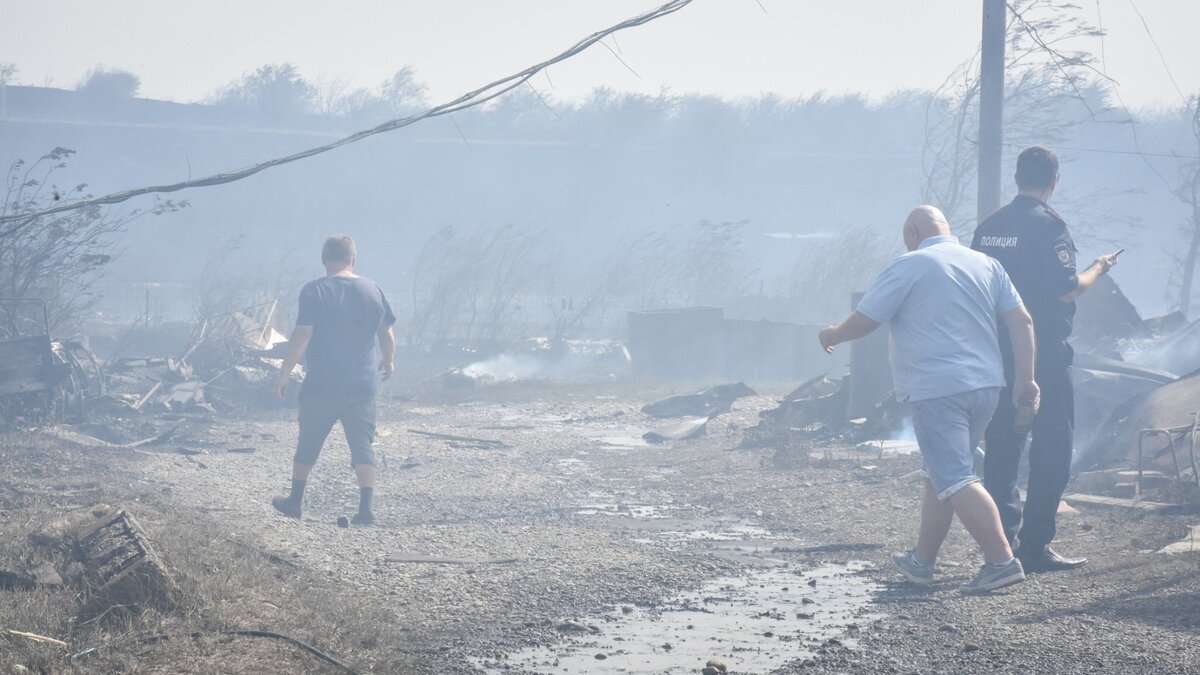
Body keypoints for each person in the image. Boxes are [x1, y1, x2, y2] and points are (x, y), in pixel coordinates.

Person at [820, 206, 1039, 592]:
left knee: (955, 476)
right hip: (986, 386)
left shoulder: (911, 264)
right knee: (940, 473)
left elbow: (867, 318)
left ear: (912, 232)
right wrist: (1027, 379)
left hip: (938, 388)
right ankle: (922, 562)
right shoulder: (986, 264)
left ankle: (1001, 560)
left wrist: (833, 335)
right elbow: (1022, 321)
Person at [972, 146, 1119, 572]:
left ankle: (1001, 546)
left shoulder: (989, 228)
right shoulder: (1050, 227)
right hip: (1045, 357)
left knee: (1001, 446)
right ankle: (1034, 547)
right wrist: (1098, 267)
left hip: (997, 352)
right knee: (1053, 446)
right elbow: (1066, 288)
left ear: (1016, 177)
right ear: (1054, 181)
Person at [271, 235, 396, 525]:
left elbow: (301, 336)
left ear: (324, 259)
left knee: (309, 442)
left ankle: (295, 502)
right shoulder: (373, 289)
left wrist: (284, 373)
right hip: (362, 386)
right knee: (362, 445)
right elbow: (386, 333)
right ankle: (366, 509)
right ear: (353, 258)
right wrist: (388, 361)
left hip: (322, 386)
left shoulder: (315, 290)